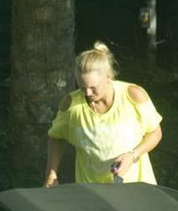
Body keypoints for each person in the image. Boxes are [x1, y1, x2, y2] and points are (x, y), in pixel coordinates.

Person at [43, 41, 163, 187]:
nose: (87, 93)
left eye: (93, 88)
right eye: (82, 87)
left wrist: (133, 156)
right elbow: (56, 137)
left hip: (137, 189)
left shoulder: (133, 95)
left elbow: (155, 133)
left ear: (108, 77)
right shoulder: (71, 105)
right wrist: (51, 174)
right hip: (91, 193)